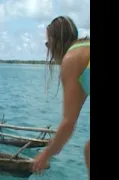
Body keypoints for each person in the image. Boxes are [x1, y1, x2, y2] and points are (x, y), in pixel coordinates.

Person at [32, 16, 90, 178]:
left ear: (54, 41)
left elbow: (69, 122)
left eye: (47, 44)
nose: (48, 49)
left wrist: (46, 154)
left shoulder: (72, 58)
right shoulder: (85, 49)